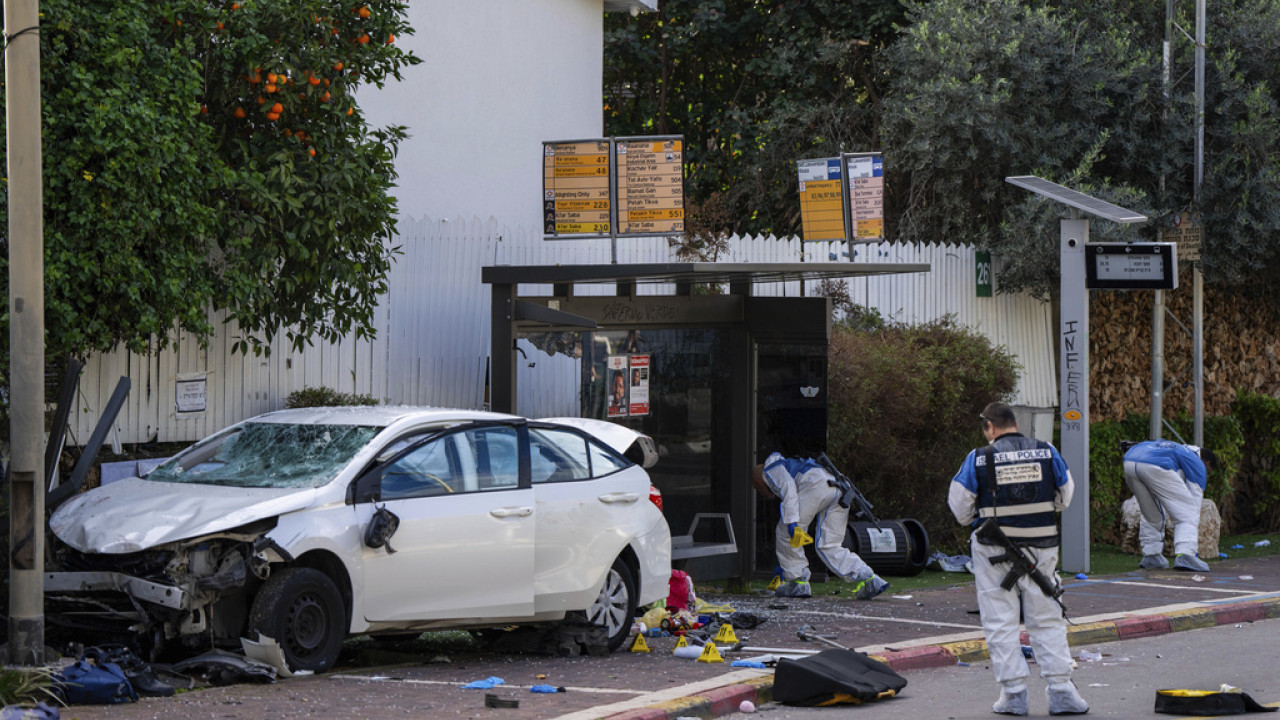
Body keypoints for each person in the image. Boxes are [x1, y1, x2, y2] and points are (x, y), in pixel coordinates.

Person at [948, 402, 1088, 716]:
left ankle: (1013, 695)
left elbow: (959, 510)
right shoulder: (1047, 451)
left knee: (1000, 620)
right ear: (1014, 423)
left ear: (989, 427)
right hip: (1042, 548)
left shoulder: (979, 458)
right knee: (1048, 617)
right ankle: (1062, 691)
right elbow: (1065, 496)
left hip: (994, 552)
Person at [754, 452, 889, 601]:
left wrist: (792, 524)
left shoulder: (770, 470)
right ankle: (869, 578)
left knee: (785, 532)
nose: (764, 493)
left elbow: (789, 491)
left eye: (759, 489)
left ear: (759, 482)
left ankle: (797, 580)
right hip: (840, 489)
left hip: (816, 486)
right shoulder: (794, 464)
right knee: (829, 545)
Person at [1123, 440, 1217, 572]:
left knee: (1151, 513)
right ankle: (1186, 555)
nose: (1207, 475)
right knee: (1188, 512)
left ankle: (1152, 555)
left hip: (1129, 461)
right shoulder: (1197, 463)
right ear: (1207, 463)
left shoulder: (1177, 450)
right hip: (1155, 466)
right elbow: (1194, 500)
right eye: (1209, 472)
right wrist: (1192, 546)